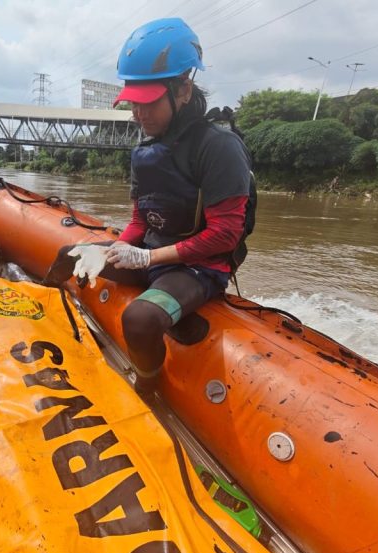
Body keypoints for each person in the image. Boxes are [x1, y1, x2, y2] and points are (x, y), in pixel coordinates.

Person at [65, 18, 254, 396]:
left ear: (183, 90)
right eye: (133, 104)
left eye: (148, 103)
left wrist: (148, 258)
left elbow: (225, 235)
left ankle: (148, 387)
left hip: (200, 267)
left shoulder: (218, 147)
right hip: (151, 252)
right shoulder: (146, 151)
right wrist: (120, 249)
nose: (139, 114)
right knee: (69, 255)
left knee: (140, 318)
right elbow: (141, 218)